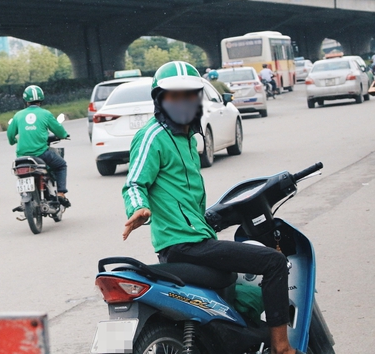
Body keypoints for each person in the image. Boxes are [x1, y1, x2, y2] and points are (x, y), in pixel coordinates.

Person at [121, 61, 300, 354]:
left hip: (195, 238)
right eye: (174, 96)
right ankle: (282, 348)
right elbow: (135, 184)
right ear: (160, 99)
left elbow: (182, 198)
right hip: (183, 245)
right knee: (274, 262)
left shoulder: (189, 139)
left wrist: (211, 217)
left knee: (239, 285)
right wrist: (139, 209)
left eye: (189, 95)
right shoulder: (153, 136)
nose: (183, 103)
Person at [7, 85, 71, 207]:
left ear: (25, 100)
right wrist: (63, 135)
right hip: (40, 153)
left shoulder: (18, 115)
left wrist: (14, 141)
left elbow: (10, 136)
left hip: (21, 157)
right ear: (41, 99)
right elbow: (59, 131)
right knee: (61, 165)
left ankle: (24, 195)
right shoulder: (45, 114)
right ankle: (61, 193)